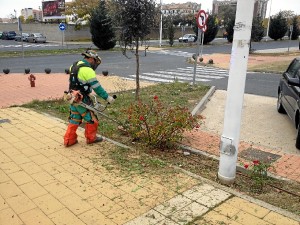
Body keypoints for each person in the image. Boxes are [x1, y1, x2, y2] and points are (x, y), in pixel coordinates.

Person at [64, 50, 115, 147]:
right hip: (82, 98)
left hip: (72, 96)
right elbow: (97, 88)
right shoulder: (88, 70)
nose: (95, 64)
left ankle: (69, 140)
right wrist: (108, 98)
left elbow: (76, 83)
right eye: (95, 61)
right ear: (91, 59)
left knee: (74, 118)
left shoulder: (74, 66)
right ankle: (91, 138)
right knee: (91, 118)